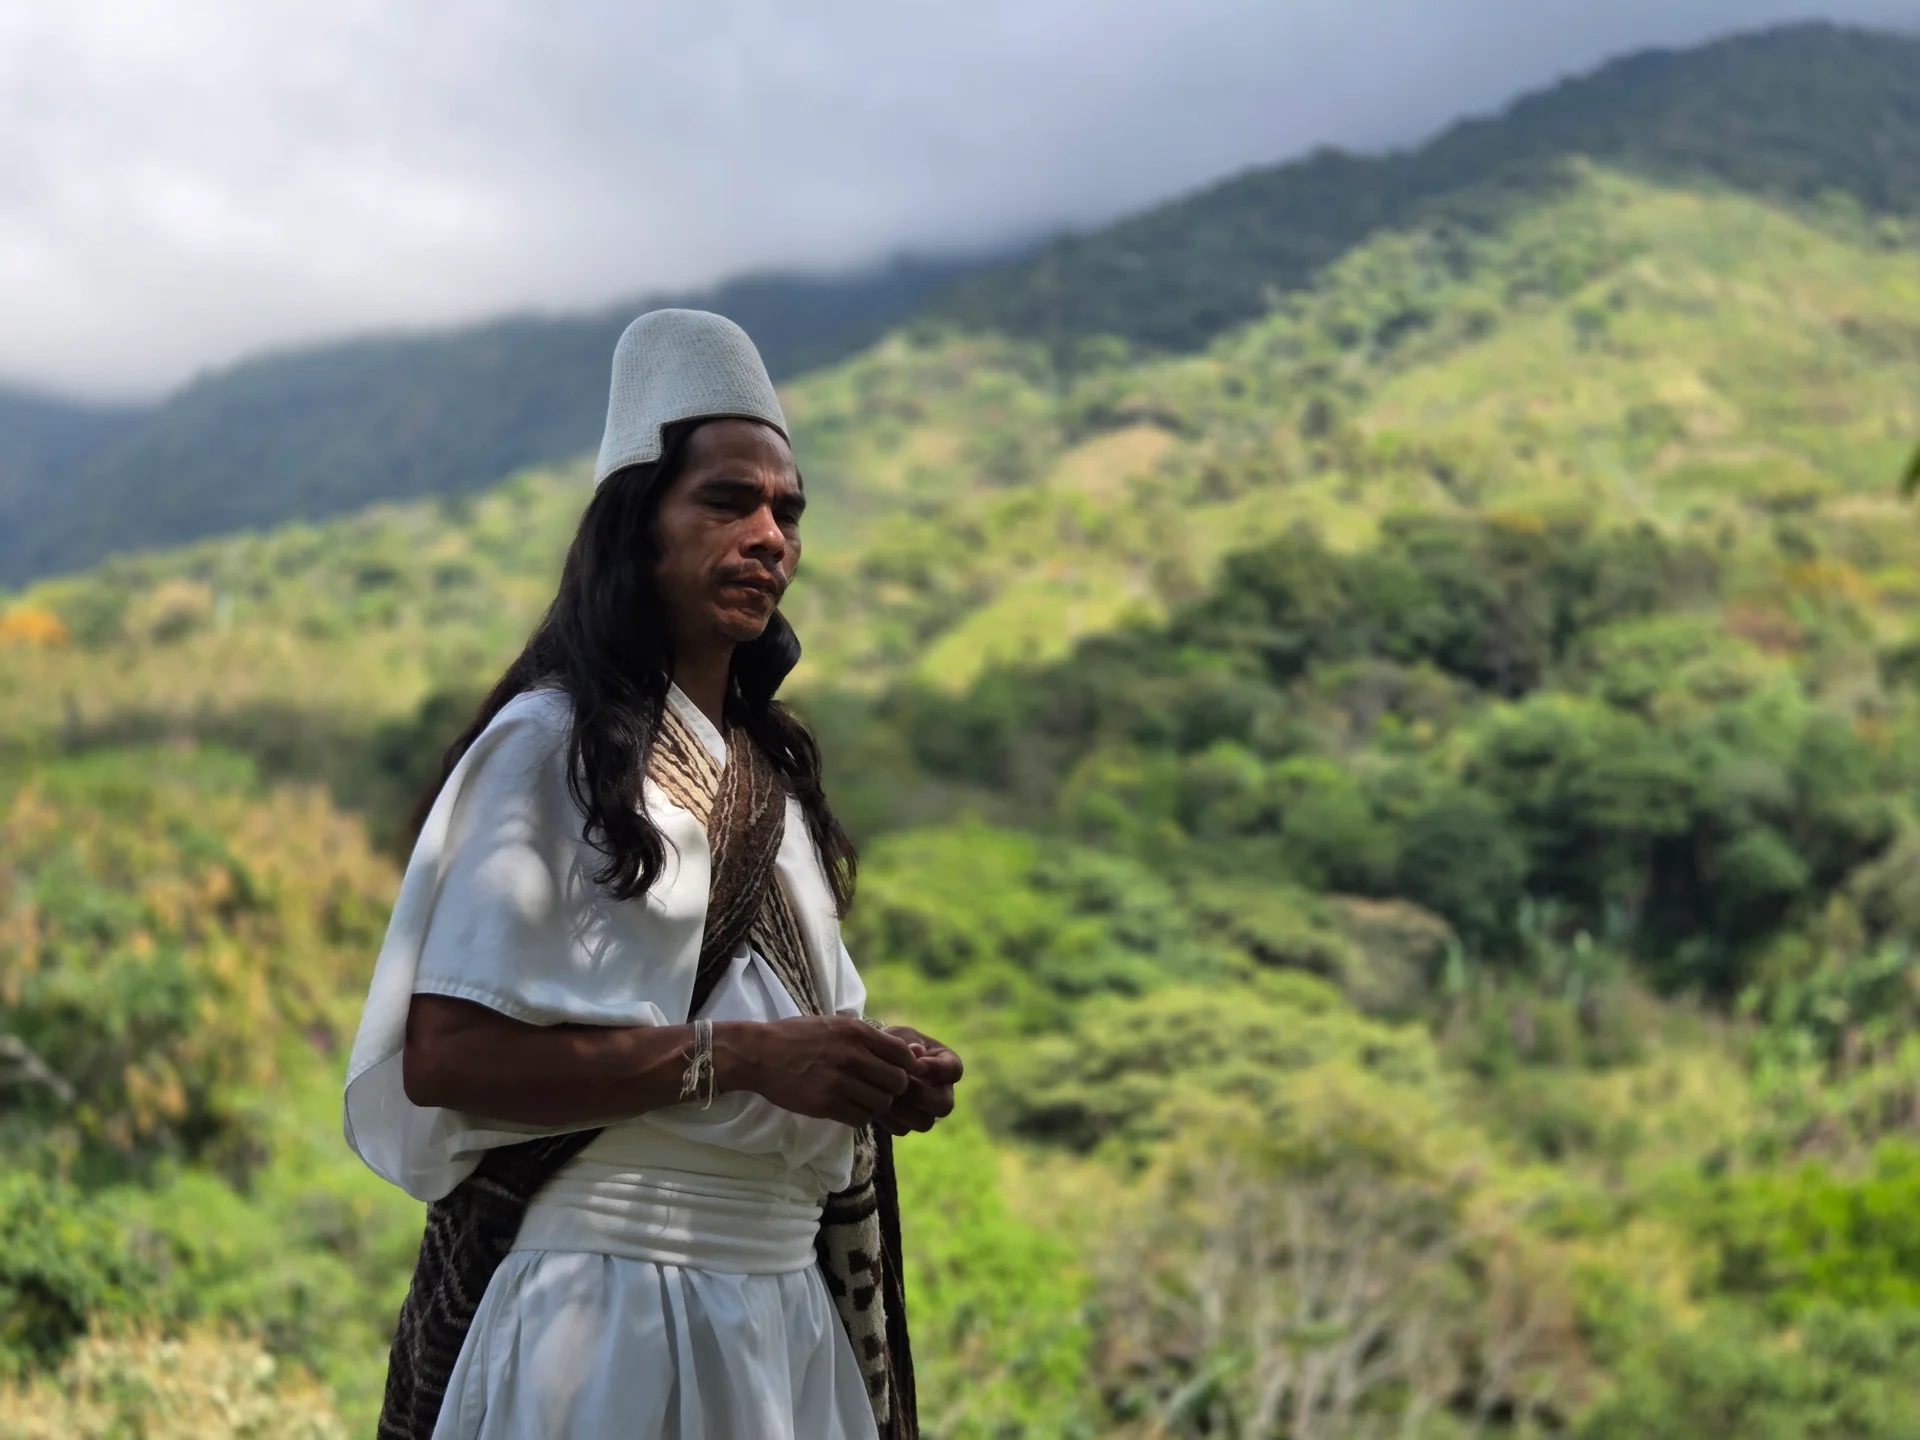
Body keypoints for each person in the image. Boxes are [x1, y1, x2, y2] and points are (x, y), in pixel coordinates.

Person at [342, 308, 963, 1440]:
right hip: (608, 1313)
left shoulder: (768, 778)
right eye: (727, 501)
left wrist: (873, 1068)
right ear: (638, 526)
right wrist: (753, 1059)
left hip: (787, 1319)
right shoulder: (547, 745)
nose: (769, 536)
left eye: (787, 512)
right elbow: (448, 1056)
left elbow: (777, 1021)